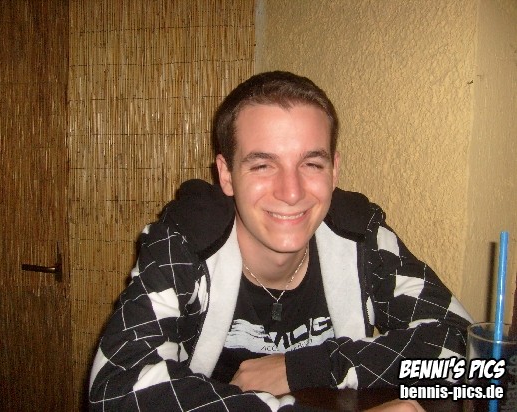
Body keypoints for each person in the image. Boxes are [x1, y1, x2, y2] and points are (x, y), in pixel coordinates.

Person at [89, 71, 472, 411]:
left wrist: (310, 367)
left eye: (312, 164)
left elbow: (469, 351)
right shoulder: (183, 245)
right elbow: (117, 389)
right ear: (226, 175)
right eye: (262, 165)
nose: (291, 192)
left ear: (334, 170)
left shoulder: (363, 240)